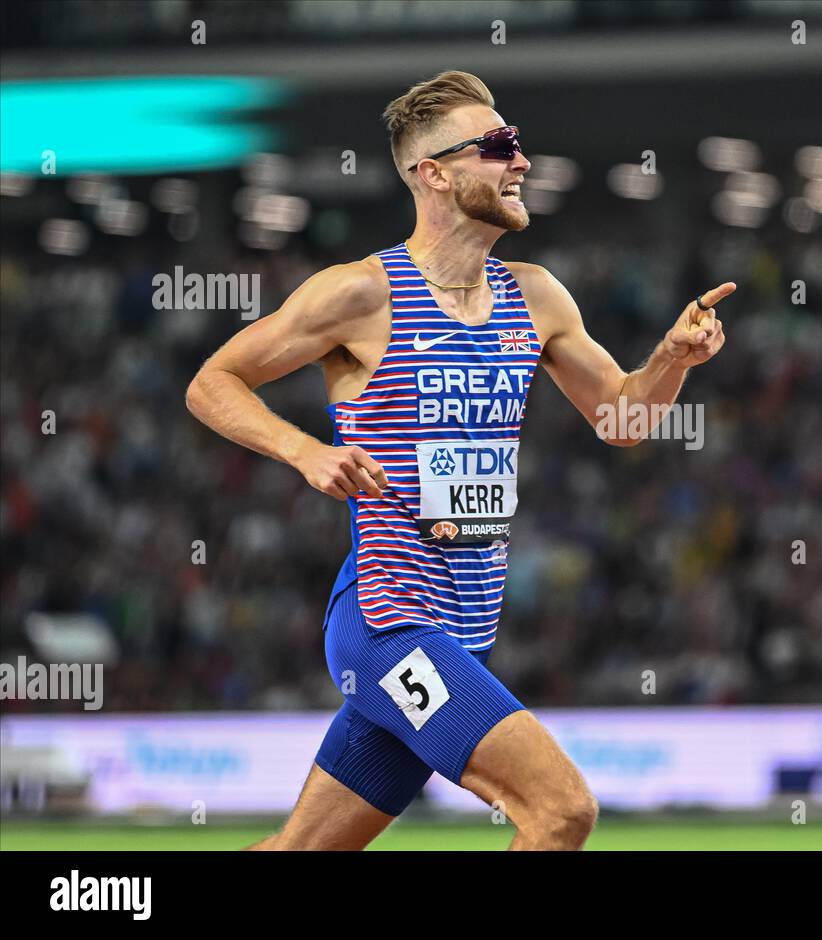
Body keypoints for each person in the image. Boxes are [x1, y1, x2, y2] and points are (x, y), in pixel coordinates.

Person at [185, 70, 732, 850]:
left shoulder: (538, 297)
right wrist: (302, 449)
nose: (522, 163)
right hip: (388, 624)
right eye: (500, 146)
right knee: (562, 811)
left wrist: (673, 360)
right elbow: (212, 382)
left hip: (466, 629)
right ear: (434, 173)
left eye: (519, 146)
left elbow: (621, 418)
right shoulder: (360, 295)